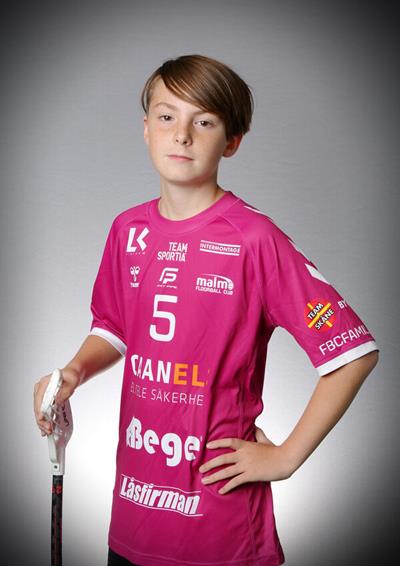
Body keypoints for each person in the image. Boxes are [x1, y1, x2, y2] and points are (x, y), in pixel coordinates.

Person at [33, 54, 380, 566]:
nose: (181, 135)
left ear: (232, 140)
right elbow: (113, 326)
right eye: (166, 116)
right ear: (145, 128)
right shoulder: (128, 230)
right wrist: (73, 373)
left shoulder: (254, 238)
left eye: (204, 122)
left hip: (220, 527)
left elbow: (352, 352)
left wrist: (286, 458)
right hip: (133, 513)